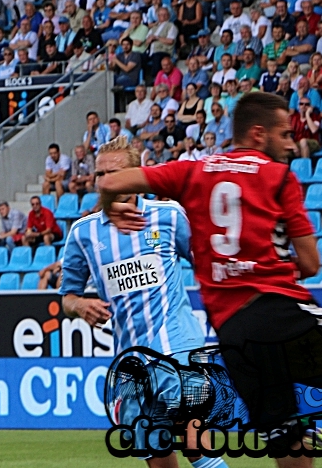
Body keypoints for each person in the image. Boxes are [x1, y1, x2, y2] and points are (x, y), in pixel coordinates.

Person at [98, 91, 322, 465]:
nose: (291, 144)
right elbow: (310, 263)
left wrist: (114, 212)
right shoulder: (277, 177)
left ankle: (317, 441)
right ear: (258, 134)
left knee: (286, 441)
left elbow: (110, 183)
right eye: (285, 134)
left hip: (234, 334)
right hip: (279, 310)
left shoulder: (193, 170)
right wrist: (263, 258)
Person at [61, 135, 222, 468]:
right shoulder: (83, 233)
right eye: (100, 174)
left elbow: (205, 262)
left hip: (177, 343)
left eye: (114, 172)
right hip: (131, 358)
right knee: (157, 456)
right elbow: (68, 297)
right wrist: (80, 306)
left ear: (137, 174)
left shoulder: (169, 216)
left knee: (193, 441)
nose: (106, 181)